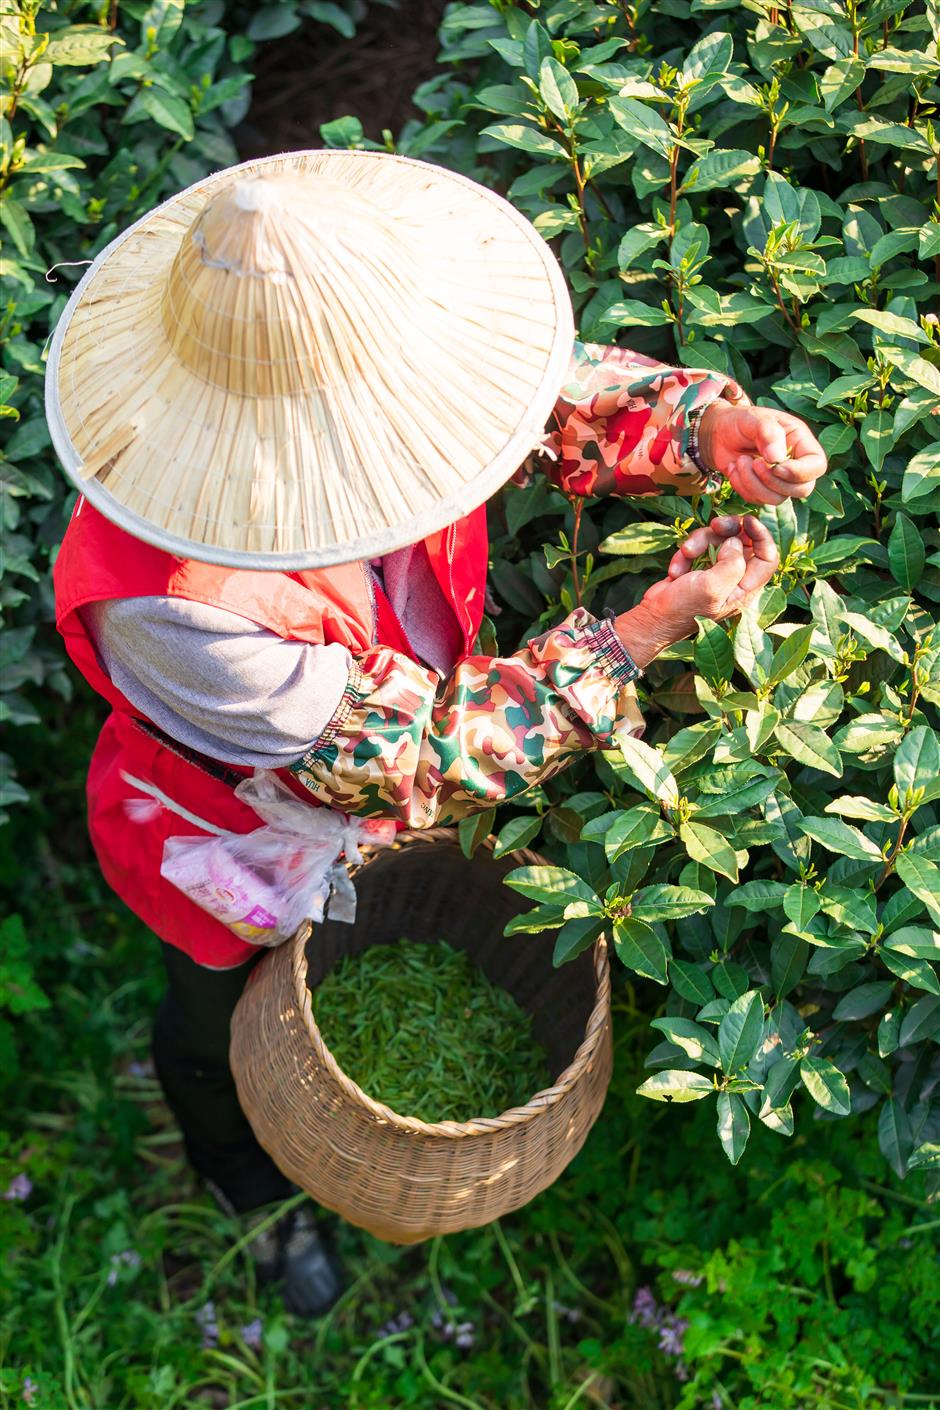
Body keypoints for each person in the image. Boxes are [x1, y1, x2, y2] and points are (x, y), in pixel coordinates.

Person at [47, 152, 827, 1317]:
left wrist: (707, 429)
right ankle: (247, 1188)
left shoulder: (397, 339)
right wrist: (649, 628)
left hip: (385, 730)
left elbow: (544, 393)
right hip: (239, 824)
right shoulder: (177, 606)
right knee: (212, 1017)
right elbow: (425, 754)